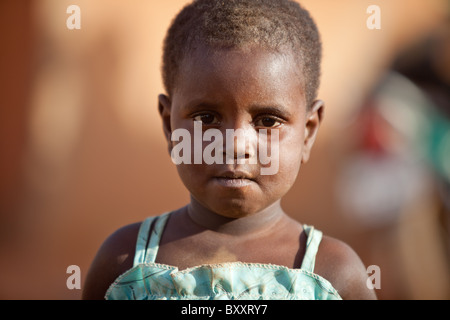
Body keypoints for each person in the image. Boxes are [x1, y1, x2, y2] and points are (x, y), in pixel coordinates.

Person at [82, 0, 377, 300]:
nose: (235, 145)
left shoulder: (335, 276)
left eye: (267, 121)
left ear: (308, 132)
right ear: (169, 126)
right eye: (206, 118)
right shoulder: (124, 262)